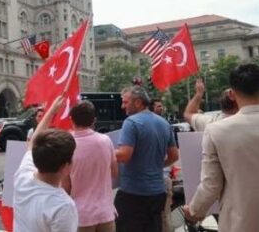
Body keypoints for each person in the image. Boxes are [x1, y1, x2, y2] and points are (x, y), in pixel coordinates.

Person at [183, 63, 259, 231]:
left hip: (241, 222)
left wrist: (194, 210)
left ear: (232, 94)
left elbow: (211, 185)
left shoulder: (216, 130)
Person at [115, 86, 179, 232]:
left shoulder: (131, 123)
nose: (122, 106)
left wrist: (103, 150)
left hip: (133, 193)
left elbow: (124, 155)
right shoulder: (164, 123)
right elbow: (174, 156)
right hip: (157, 192)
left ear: (138, 102)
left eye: (125, 102)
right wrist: (156, 165)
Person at [14, 96, 78, 232]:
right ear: (65, 167)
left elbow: (33, 142)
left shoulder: (22, 177)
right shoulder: (63, 206)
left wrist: (52, 110)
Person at [63, 100, 116, 232]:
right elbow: (114, 172)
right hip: (106, 213)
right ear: (94, 120)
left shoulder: (67, 145)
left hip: (80, 216)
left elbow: (65, 185)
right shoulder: (106, 141)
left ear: (71, 119)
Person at [149, 98, 174, 232]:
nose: (161, 108)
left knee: (164, 217)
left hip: (161, 177)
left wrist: (159, 166)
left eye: (161, 106)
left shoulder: (163, 126)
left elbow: (174, 155)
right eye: (158, 106)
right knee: (162, 217)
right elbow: (173, 155)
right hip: (159, 177)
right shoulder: (164, 126)